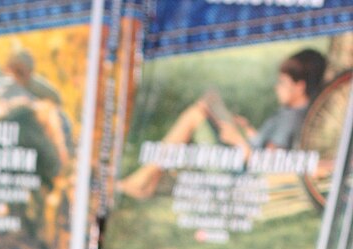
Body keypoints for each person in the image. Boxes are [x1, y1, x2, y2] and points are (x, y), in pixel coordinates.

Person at [119, 48, 328, 200]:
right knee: (204, 107)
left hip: (235, 174)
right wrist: (247, 131)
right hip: (239, 161)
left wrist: (238, 141)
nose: (276, 88)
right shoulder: (292, 112)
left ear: (300, 86)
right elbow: (267, 148)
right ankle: (149, 178)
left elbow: (270, 164)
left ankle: (144, 178)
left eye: (282, 82)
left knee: (195, 114)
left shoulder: (291, 118)